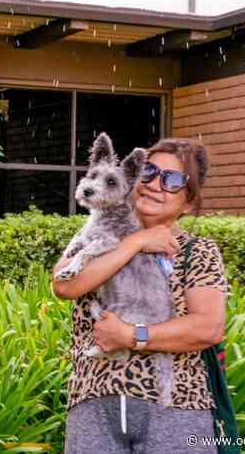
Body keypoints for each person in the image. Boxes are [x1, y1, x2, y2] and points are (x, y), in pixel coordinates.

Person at [53, 138, 226, 454]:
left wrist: (130, 335)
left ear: (188, 201)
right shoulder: (94, 231)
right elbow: (65, 285)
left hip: (175, 407)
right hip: (93, 404)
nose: (154, 185)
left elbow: (207, 329)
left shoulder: (198, 251)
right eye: (148, 171)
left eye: (172, 180)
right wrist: (136, 242)